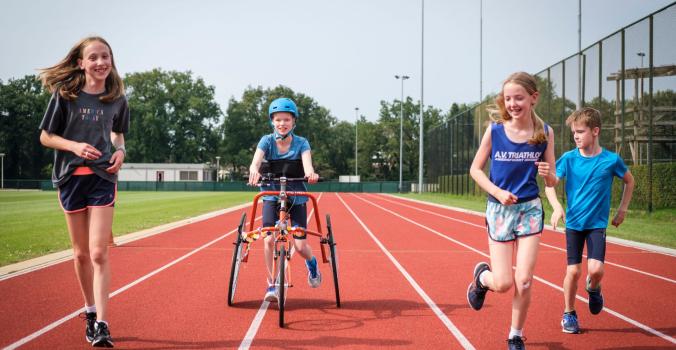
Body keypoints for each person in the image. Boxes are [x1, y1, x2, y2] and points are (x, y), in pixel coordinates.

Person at [38, 36, 129, 348]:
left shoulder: (117, 98)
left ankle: (102, 324)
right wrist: (74, 145)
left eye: (106, 56)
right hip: (70, 178)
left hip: (103, 177)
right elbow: (46, 137)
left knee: (100, 252)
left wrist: (121, 153)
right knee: (80, 253)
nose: (101, 62)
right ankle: (90, 312)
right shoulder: (65, 96)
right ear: (81, 63)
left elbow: (118, 135)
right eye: (94, 57)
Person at [466, 72, 557, 350]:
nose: (513, 104)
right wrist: (497, 192)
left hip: (530, 209)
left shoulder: (545, 132)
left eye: (518, 97)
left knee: (525, 281)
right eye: (508, 99)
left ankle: (515, 334)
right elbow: (475, 170)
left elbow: (553, 178)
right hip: (500, 210)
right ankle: (482, 279)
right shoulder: (495, 130)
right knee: (504, 283)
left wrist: (548, 175)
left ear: (533, 97)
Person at [544, 107, 634, 334]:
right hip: (573, 224)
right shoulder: (569, 158)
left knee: (595, 270)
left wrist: (622, 209)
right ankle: (569, 313)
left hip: (597, 224)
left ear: (595, 131)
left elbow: (629, 181)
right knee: (573, 271)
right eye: (574, 131)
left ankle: (593, 289)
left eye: (580, 131)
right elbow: (551, 184)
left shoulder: (611, 160)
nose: (576, 135)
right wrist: (556, 207)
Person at [248, 97, 321, 302]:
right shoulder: (266, 141)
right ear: (272, 121)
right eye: (278, 119)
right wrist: (254, 172)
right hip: (271, 193)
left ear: (294, 121)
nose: (282, 123)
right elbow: (255, 163)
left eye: (286, 119)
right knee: (269, 238)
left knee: (299, 246)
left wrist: (311, 174)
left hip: (296, 196)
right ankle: (271, 284)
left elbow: (307, 166)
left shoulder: (301, 143)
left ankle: (312, 264)